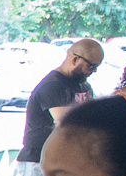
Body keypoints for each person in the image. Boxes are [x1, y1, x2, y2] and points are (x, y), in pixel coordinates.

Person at [24, 38, 104, 166]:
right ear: (75, 60)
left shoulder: (84, 85)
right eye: (91, 66)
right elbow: (67, 124)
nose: (93, 71)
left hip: (64, 160)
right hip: (38, 161)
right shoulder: (53, 85)